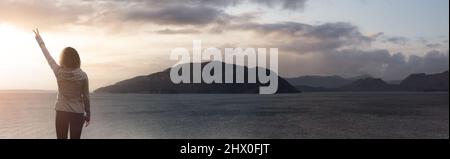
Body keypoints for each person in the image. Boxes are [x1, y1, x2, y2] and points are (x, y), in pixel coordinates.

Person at [33, 28, 91, 139]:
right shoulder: (83, 76)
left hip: (61, 111)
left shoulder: (58, 72)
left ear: (62, 59)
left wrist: (39, 39)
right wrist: (88, 114)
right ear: (77, 59)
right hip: (77, 112)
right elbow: (86, 97)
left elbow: (47, 56)